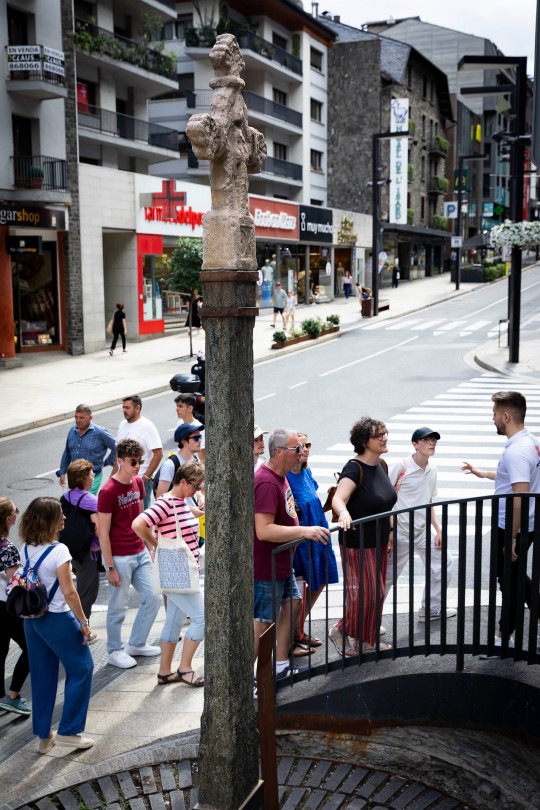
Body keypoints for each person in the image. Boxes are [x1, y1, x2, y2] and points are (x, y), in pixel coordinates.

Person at [462, 391, 540, 649]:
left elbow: (519, 496)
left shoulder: (516, 451)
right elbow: (515, 479)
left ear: (506, 416)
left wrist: (514, 537)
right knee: (511, 578)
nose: (492, 418)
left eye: (495, 413)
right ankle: (505, 632)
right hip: (524, 523)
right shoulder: (529, 442)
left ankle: (504, 634)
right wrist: (483, 473)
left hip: (512, 526)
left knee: (508, 578)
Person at [253, 429, 330, 679]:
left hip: (283, 563)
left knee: (293, 603)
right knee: (263, 621)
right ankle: (247, 679)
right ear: (278, 452)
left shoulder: (282, 475)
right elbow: (263, 530)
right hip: (268, 565)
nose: (301, 452)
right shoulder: (266, 481)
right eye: (296, 448)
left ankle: (280, 664)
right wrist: (304, 531)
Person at [19, 497, 94, 754]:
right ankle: (70, 732)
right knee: (82, 667)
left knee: (41, 676)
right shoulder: (59, 550)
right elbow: (70, 593)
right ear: (49, 520)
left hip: (32, 622)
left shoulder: (25, 548)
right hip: (57, 619)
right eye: (60, 515)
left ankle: (44, 737)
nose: (64, 517)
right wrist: (84, 623)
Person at [132, 461, 205, 687]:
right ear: (182, 481)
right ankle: (185, 668)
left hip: (180, 569)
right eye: (195, 486)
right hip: (176, 569)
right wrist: (156, 544)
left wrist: (196, 508)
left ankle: (164, 672)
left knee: (173, 621)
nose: (196, 490)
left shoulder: (181, 501)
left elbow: (182, 514)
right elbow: (138, 524)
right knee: (202, 619)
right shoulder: (166, 502)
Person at [331, 418, 396, 655]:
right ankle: (341, 629)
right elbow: (339, 498)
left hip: (379, 540)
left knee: (374, 594)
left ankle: (365, 641)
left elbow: (386, 505)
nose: (384, 437)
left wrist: (389, 533)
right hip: (357, 542)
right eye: (378, 435)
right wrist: (344, 512)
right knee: (370, 593)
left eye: (385, 433)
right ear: (364, 442)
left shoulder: (382, 465)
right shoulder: (354, 468)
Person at [98, 439, 162, 669]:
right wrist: (110, 567)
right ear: (120, 461)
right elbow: (103, 533)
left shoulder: (138, 483)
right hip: (120, 557)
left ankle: (136, 643)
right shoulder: (107, 491)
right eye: (133, 462)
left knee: (154, 597)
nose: (138, 466)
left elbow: (142, 517)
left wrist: (149, 546)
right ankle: (115, 651)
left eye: (140, 461)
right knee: (117, 606)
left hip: (139, 551)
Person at [386, 427, 455, 622]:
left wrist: (438, 528)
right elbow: (385, 499)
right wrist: (390, 531)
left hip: (422, 530)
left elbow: (429, 501)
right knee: (388, 577)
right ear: (415, 444)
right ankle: (369, 620)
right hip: (399, 532)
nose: (431, 443)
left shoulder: (432, 469)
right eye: (426, 440)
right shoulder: (401, 467)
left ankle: (431, 608)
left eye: (434, 440)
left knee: (443, 562)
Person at [287, 433, 339, 649]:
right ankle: (290, 638)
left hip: (318, 532)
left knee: (321, 578)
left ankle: (297, 628)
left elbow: (312, 502)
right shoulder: (285, 476)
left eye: (307, 444)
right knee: (297, 590)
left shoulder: (306, 471)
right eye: (299, 446)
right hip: (301, 536)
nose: (304, 449)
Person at [60, 459, 101, 638]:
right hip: (87, 552)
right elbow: (99, 529)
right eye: (92, 474)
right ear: (84, 478)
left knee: (77, 588)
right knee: (87, 591)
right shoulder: (90, 500)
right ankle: (81, 631)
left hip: (70, 550)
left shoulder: (65, 497)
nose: (94, 476)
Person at [0, 498, 31, 716]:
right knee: (31, 647)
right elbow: (16, 581)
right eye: (14, 510)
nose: (18, 512)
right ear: (8, 519)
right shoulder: (7, 547)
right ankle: (12, 695)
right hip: (6, 608)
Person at [115, 395, 163, 508]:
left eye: (127, 408)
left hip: (140, 481)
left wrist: (145, 478)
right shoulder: (122, 425)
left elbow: (158, 453)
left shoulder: (147, 426)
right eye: (123, 407)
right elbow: (117, 455)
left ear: (137, 408)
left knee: (141, 518)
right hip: (122, 481)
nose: (124, 411)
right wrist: (113, 477)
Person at [56, 404, 116, 495]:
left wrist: (107, 462)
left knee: (84, 502)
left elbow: (117, 447)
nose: (78, 420)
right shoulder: (72, 430)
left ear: (90, 418)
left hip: (92, 477)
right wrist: (62, 472)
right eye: (76, 417)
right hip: (74, 478)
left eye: (81, 418)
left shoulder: (100, 432)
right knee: (75, 502)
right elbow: (67, 453)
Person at [155, 422, 205, 519]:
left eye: (200, 437)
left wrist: (200, 496)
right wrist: (188, 509)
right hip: (175, 523)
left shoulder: (195, 459)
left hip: (191, 521)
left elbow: (197, 487)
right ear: (184, 442)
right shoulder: (170, 465)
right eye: (195, 438)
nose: (199, 441)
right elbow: (160, 500)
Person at [174, 392, 206, 462]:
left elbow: (202, 458)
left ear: (190, 408)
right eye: (177, 406)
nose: (177, 409)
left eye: (180, 406)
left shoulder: (199, 428)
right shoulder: (179, 423)